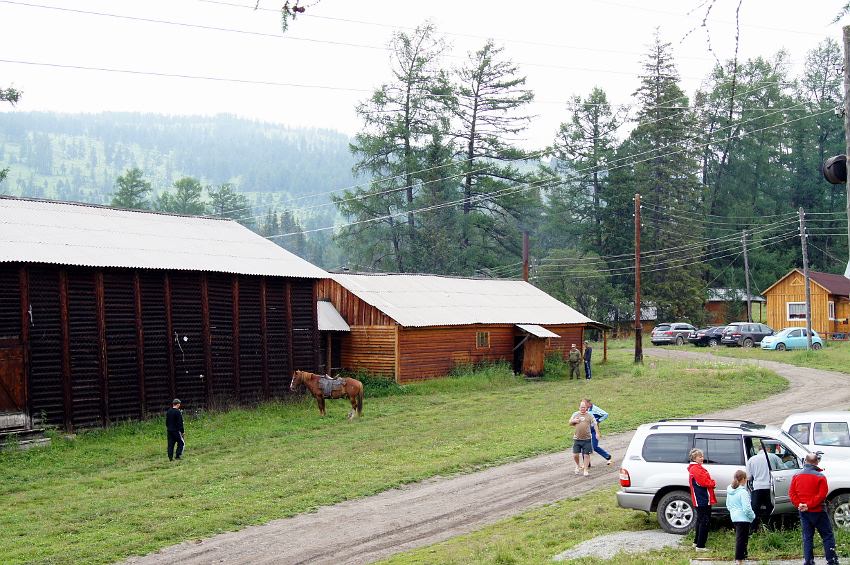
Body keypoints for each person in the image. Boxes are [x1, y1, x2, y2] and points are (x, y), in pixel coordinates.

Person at [789, 453, 840, 565]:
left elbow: (792, 493)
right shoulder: (820, 476)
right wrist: (809, 505)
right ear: (817, 463)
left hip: (803, 511)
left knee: (807, 537)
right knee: (827, 535)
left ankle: (809, 561)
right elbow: (822, 495)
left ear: (805, 462)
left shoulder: (796, 475)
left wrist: (800, 505)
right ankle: (831, 560)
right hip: (818, 511)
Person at [746, 442, 782, 533]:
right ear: (768, 449)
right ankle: (770, 527)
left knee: (755, 509)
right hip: (769, 487)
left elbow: (748, 475)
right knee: (770, 509)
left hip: (757, 487)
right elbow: (782, 468)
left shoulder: (752, 459)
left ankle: (752, 529)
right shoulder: (773, 457)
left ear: (759, 449)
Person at [688, 448, 716, 552]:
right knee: (704, 521)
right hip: (702, 498)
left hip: (700, 497)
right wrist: (712, 483)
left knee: (700, 520)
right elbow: (704, 482)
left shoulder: (694, 468)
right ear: (694, 458)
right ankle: (701, 545)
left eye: (702, 456)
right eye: (700, 457)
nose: (702, 458)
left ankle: (697, 542)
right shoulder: (696, 469)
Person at [726, 469, 755, 565]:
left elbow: (728, 505)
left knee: (742, 538)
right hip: (743, 517)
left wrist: (733, 512)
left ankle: (744, 555)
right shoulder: (743, 492)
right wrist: (752, 517)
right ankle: (739, 559)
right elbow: (746, 508)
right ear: (743, 479)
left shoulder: (730, 490)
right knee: (741, 539)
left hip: (734, 516)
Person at [569, 400, 598, 477]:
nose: (583, 409)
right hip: (577, 438)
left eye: (584, 407)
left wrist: (597, 433)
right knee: (575, 454)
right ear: (579, 407)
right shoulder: (575, 414)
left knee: (586, 455)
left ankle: (586, 469)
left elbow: (595, 424)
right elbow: (569, 423)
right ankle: (577, 465)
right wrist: (574, 421)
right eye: (581, 407)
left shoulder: (590, 415)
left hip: (587, 438)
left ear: (586, 408)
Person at [582, 397, 613, 467]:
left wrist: (599, 421)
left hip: (594, 430)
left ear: (589, 403)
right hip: (586, 431)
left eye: (585, 404)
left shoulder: (595, 409)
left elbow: (605, 414)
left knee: (594, 446)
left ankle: (608, 456)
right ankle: (587, 464)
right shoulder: (584, 410)